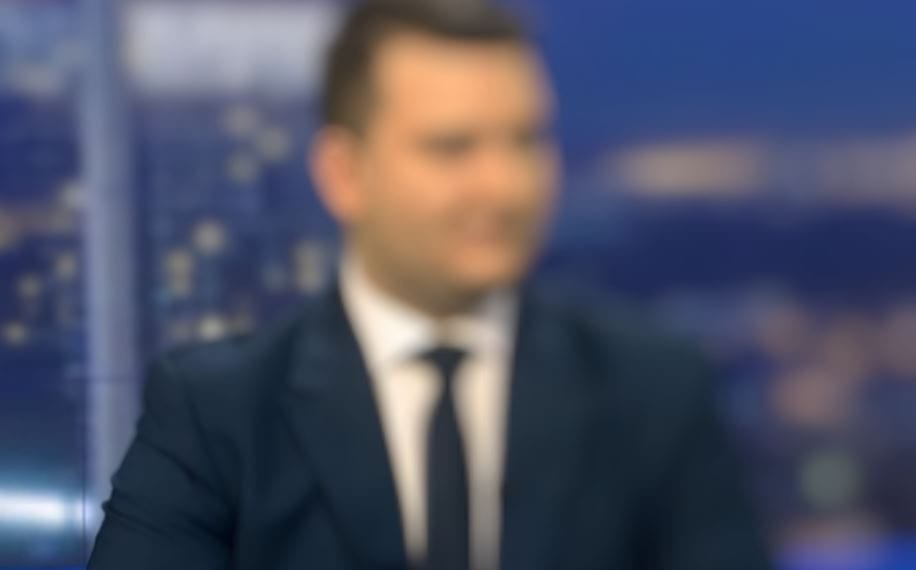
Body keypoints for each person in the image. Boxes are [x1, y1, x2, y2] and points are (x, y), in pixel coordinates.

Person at [87, 1, 771, 569]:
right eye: (453, 147)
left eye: (525, 141)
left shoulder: (653, 392)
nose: (503, 186)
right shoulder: (217, 414)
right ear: (344, 173)